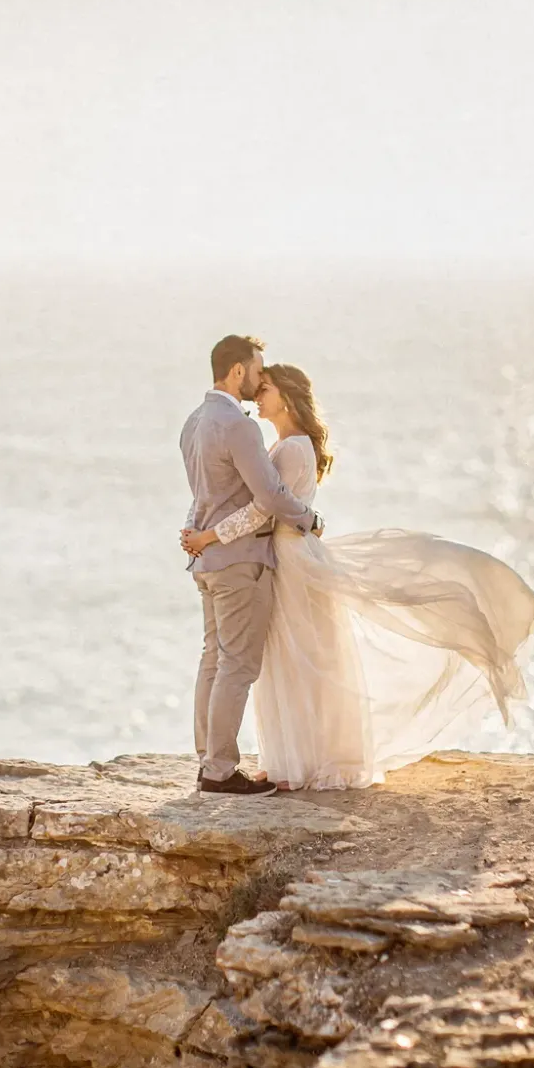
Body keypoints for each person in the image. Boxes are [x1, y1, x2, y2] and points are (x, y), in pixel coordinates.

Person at [181, 361, 534, 790]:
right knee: (286, 660)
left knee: (299, 660)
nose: (258, 397)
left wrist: (208, 534)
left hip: (288, 557)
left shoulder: (292, 448)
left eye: (266, 389)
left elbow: (268, 505)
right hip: (282, 553)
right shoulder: (285, 446)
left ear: (287, 397)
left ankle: (301, 762)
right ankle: (288, 760)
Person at [179, 335, 322, 795]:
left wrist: (194, 534)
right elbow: (269, 497)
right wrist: (310, 518)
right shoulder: (240, 427)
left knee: (213, 660)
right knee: (237, 666)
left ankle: (208, 762)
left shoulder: (194, 422)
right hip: (239, 563)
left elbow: (202, 496)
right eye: (257, 371)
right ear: (237, 371)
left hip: (206, 562)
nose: (260, 381)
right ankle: (219, 770)